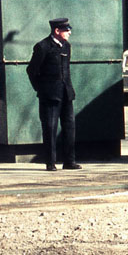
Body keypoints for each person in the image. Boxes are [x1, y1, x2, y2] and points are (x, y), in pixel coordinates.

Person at [26, 17, 81, 171]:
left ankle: (69, 161)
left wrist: (68, 89)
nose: (69, 32)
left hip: (66, 94)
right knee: (50, 128)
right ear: (57, 31)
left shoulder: (66, 46)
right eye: (66, 29)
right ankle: (51, 162)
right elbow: (31, 70)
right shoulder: (42, 47)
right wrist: (40, 89)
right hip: (49, 96)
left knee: (69, 127)